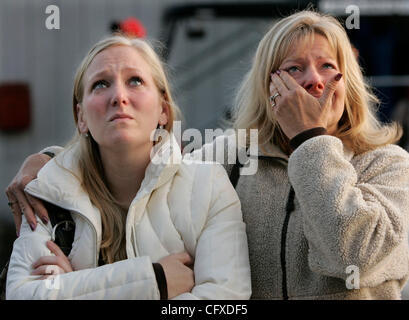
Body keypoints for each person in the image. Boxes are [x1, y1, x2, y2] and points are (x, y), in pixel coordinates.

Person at [6, 10, 409, 300]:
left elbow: (352, 254)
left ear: (348, 82)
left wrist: (310, 138)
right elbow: (147, 158)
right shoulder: (227, 160)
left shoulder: (387, 165)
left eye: (326, 66)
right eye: (294, 69)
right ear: (269, 85)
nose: (314, 81)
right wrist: (52, 162)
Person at [4, 35, 251, 300]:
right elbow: (22, 295)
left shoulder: (208, 185)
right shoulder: (48, 192)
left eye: (135, 81)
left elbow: (225, 301)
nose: (119, 96)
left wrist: (73, 287)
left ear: (163, 111)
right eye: (100, 84)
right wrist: (154, 280)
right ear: (81, 117)